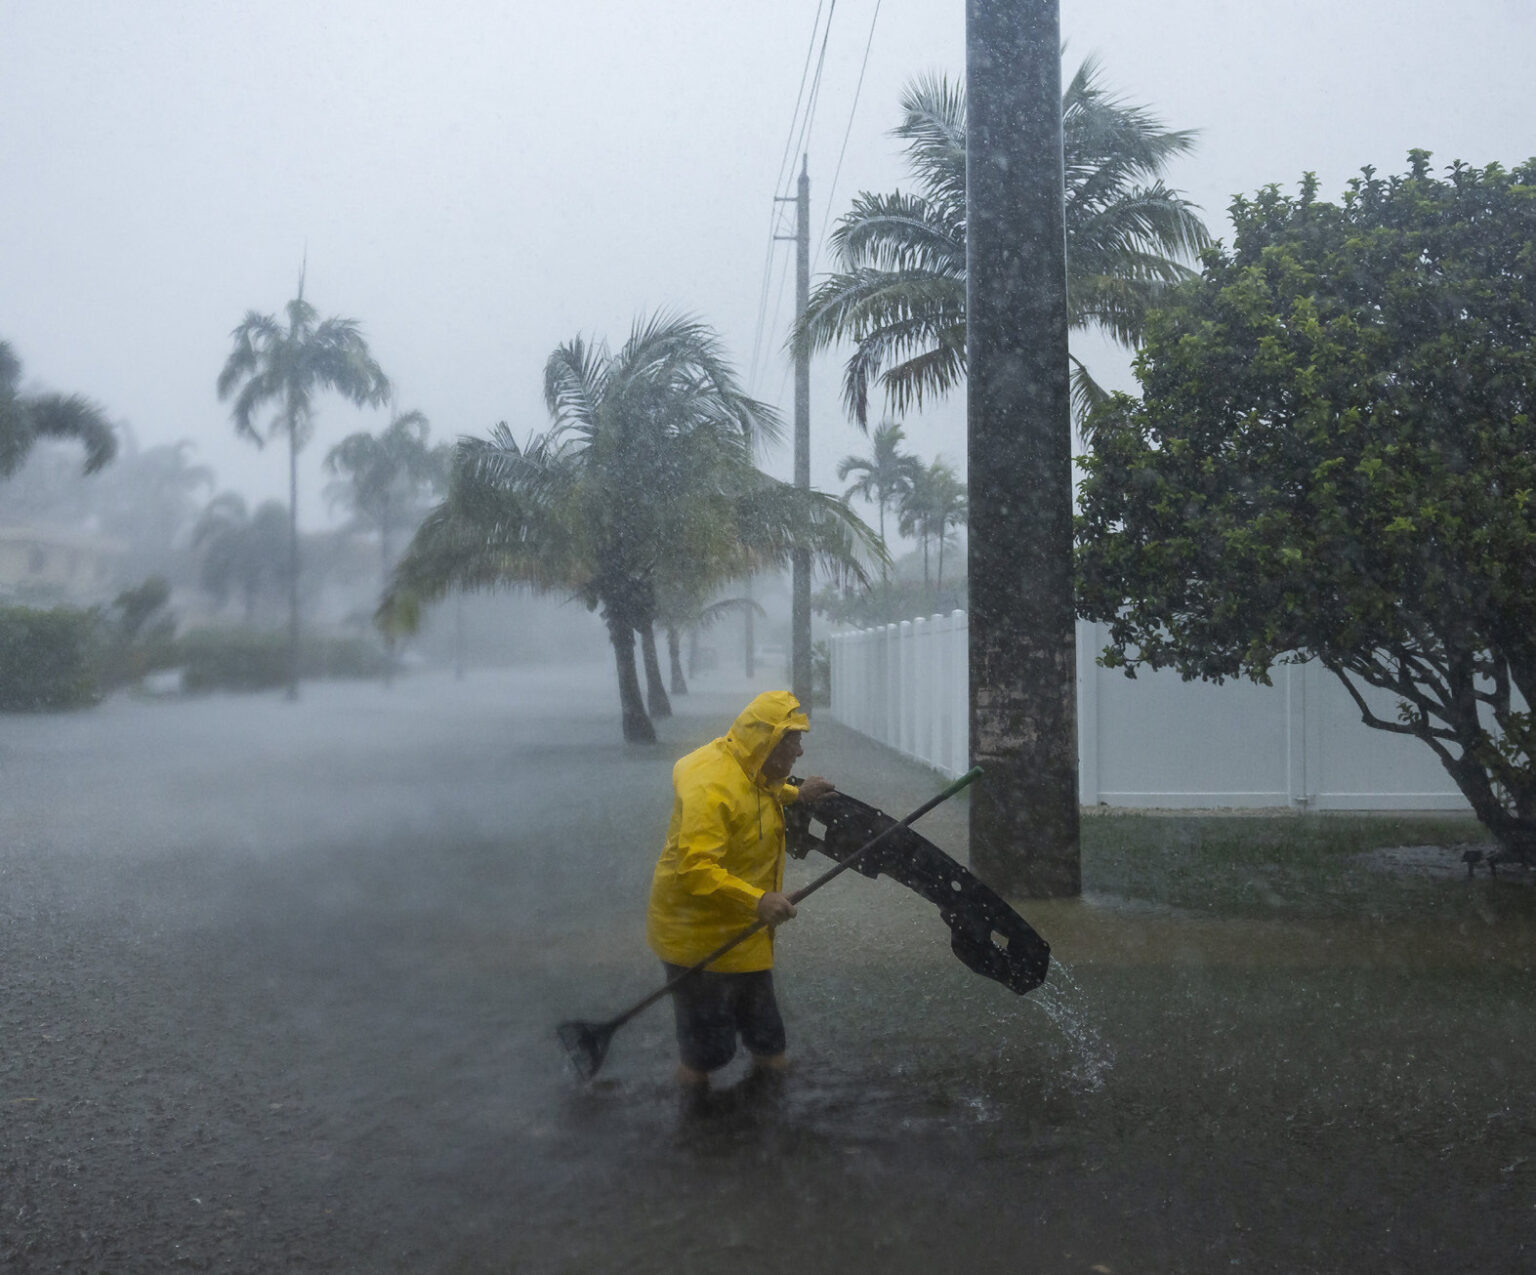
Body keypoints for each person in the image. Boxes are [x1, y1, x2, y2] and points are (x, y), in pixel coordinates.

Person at [646, 690, 835, 1088]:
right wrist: (758, 900)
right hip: (698, 940)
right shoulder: (709, 787)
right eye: (794, 741)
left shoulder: (749, 766)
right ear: (767, 741)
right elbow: (695, 869)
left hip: (742, 933)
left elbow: (756, 790)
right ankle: (695, 1133)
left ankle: (764, 1130)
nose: (800, 752)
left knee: (769, 1042)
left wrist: (796, 795)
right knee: (703, 1058)